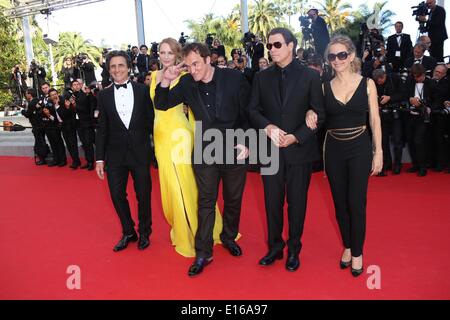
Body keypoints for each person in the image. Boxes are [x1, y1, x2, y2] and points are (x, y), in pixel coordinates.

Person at [155, 42, 251, 276]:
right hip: (206, 150)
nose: (193, 70)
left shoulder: (233, 78)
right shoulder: (187, 82)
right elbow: (162, 103)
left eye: (196, 64)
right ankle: (203, 252)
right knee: (206, 202)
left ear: (209, 60)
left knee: (232, 199)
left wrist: (247, 141)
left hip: (234, 147)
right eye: (188, 66)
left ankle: (228, 237)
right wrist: (166, 81)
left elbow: (249, 111)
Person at [249, 28, 325, 272]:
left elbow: (319, 114)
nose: (272, 49)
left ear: (291, 46)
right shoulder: (261, 77)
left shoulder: (310, 76)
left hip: (299, 152)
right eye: (269, 45)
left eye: (277, 45)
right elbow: (252, 111)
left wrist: (296, 137)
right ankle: (274, 247)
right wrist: (267, 126)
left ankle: (294, 249)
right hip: (269, 151)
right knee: (271, 203)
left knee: (297, 203)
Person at [307, 35, 382, 277]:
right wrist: (310, 111)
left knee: (356, 203)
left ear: (351, 56)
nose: (337, 60)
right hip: (334, 149)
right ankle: (348, 246)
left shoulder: (367, 83)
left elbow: (375, 120)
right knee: (340, 205)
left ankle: (358, 252)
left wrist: (378, 151)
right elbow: (316, 111)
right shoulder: (323, 86)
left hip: (360, 145)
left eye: (341, 55)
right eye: (332, 56)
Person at [149, 38, 223, 257]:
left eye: (170, 53)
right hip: (161, 136)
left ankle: (198, 233)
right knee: (171, 188)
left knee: (188, 185)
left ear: (177, 55)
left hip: (180, 134)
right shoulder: (153, 76)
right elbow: (157, 106)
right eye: (162, 52)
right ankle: (182, 229)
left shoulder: (185, 77)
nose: (165, 56)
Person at [95, 50, 154, 252]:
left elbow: (151, 121)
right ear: (109, 70)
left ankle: (145, 231)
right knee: (116, 194)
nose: (117, 69)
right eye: (113, 66)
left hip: (140, 152)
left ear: (129, 67)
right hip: (115, 155)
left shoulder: (142, 91)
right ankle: (129, 231)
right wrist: (99, 159)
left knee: (143, 194)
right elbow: (102, 128)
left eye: (121, 65)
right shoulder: (102, 96)